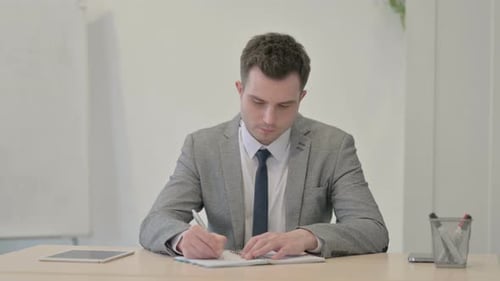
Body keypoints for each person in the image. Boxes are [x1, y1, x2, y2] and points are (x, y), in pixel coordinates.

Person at [139, 32, 389, 260]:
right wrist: (182, 239)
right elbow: (155, 222)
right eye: (258, 102)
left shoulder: (333, 147)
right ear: (240, 90)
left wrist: (306, 237)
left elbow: (373, 230)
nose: (269, 119)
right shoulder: (202, 147)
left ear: (301, 98)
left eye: (284, 106)